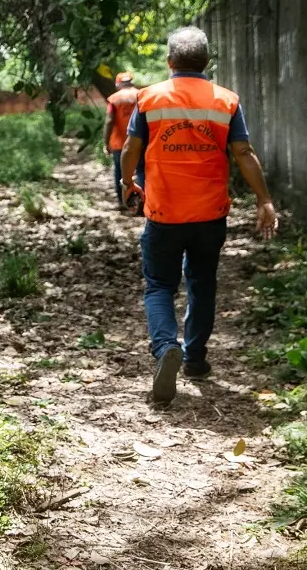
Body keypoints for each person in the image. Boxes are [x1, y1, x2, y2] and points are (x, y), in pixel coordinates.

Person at [119, 26, 278, 405]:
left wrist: (128, 181)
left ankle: (164, 350)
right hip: (209, 214)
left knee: (159, 285)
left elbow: (130, 146)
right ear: (207, 62)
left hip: (164, 212)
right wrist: (264, 200)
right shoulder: (225, 101)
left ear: (169, 61)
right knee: (202, 282)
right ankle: (195, 360)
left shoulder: (149, 98)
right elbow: (243, 153)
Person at [104, 72, 145, 208]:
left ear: (118, 85)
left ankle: (123, 203)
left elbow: (109, 120)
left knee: (120, 171)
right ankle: (142, 202)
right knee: (141, 170)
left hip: (119, 142)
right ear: (132, 82)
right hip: (140, 141)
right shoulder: (141, 95)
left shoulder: (114, 99)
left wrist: (106, 142)